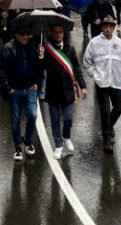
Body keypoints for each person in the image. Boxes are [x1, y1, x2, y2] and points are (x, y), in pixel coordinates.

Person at [83, 16, 121, 154]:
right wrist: (95, 75)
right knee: (104, 110)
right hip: (102, 83)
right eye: (106, 26)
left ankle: (108, 127)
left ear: (114, 28)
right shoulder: (94, 43)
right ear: (102, 27)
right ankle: (107, 139)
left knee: (119, 108)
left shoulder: (119, 43)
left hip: (116, 82)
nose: (108, 29)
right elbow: (86, 62)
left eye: (111, 26)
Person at [0, 27, 46, 162]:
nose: (26, 37)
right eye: (23, 34)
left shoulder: (33, 47)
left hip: (30, 88)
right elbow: (1, 70)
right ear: (16, 34)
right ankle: (18, 146)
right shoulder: (8, 48)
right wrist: (8, 88)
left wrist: (41, 57)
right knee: (15, 118)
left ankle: (28, 139)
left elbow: (40, 67)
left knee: (32, 115)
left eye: (27, 34)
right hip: (15, 90)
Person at [42, 24, 87, 159]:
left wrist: (83, 86)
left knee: (68, 117)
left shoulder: (70, 49)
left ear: (63, 33)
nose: (58, 35)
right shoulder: (47, 50)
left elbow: (77, 69)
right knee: (55, 120)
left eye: (60, 32)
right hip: (53, 90)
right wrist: (40, 56)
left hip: (68, 90)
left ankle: (66, 136)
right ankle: (58, 145)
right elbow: (40, 67)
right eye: (55, 32)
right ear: (52, 33)